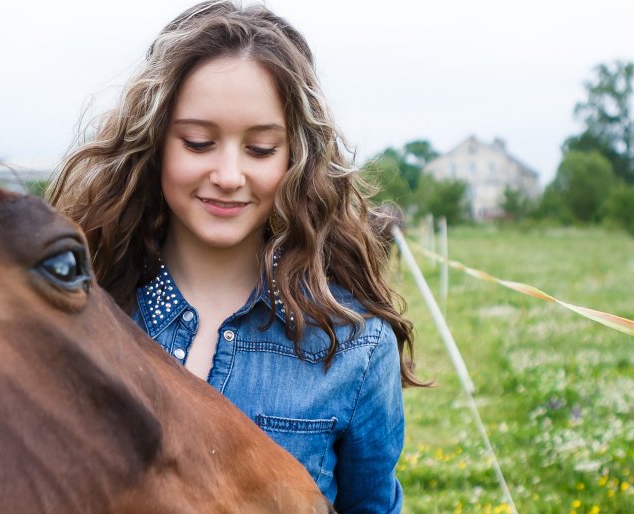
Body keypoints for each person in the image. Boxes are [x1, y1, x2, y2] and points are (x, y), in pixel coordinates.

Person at [46, 2, 430, 512]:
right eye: (199, 142)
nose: (228, 175)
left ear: (296, 158)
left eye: (260, 149)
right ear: (156, 143)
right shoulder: (79, 316)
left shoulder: (356, 348)